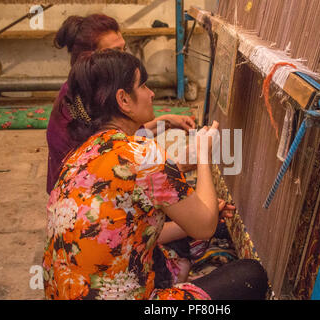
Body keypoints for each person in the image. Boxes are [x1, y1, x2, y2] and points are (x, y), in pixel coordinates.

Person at [43, 49, 268, 300]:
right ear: (124, 100)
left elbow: (129, 230)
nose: (151, 93)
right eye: (144, 86)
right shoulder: (143, 155)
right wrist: (204, 154)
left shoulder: (79, 155)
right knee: (249, 276)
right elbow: (205, 226)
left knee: (170, 238)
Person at [46, 14, 195, 195]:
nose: (125, 58)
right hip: (89, 197)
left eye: (124, 49)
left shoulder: (92, 92)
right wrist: (184, 165)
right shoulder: (81, 107)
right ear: (92, 61)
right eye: (116, 52)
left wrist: (166, 122)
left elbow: (122, 136)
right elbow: (116, 175)